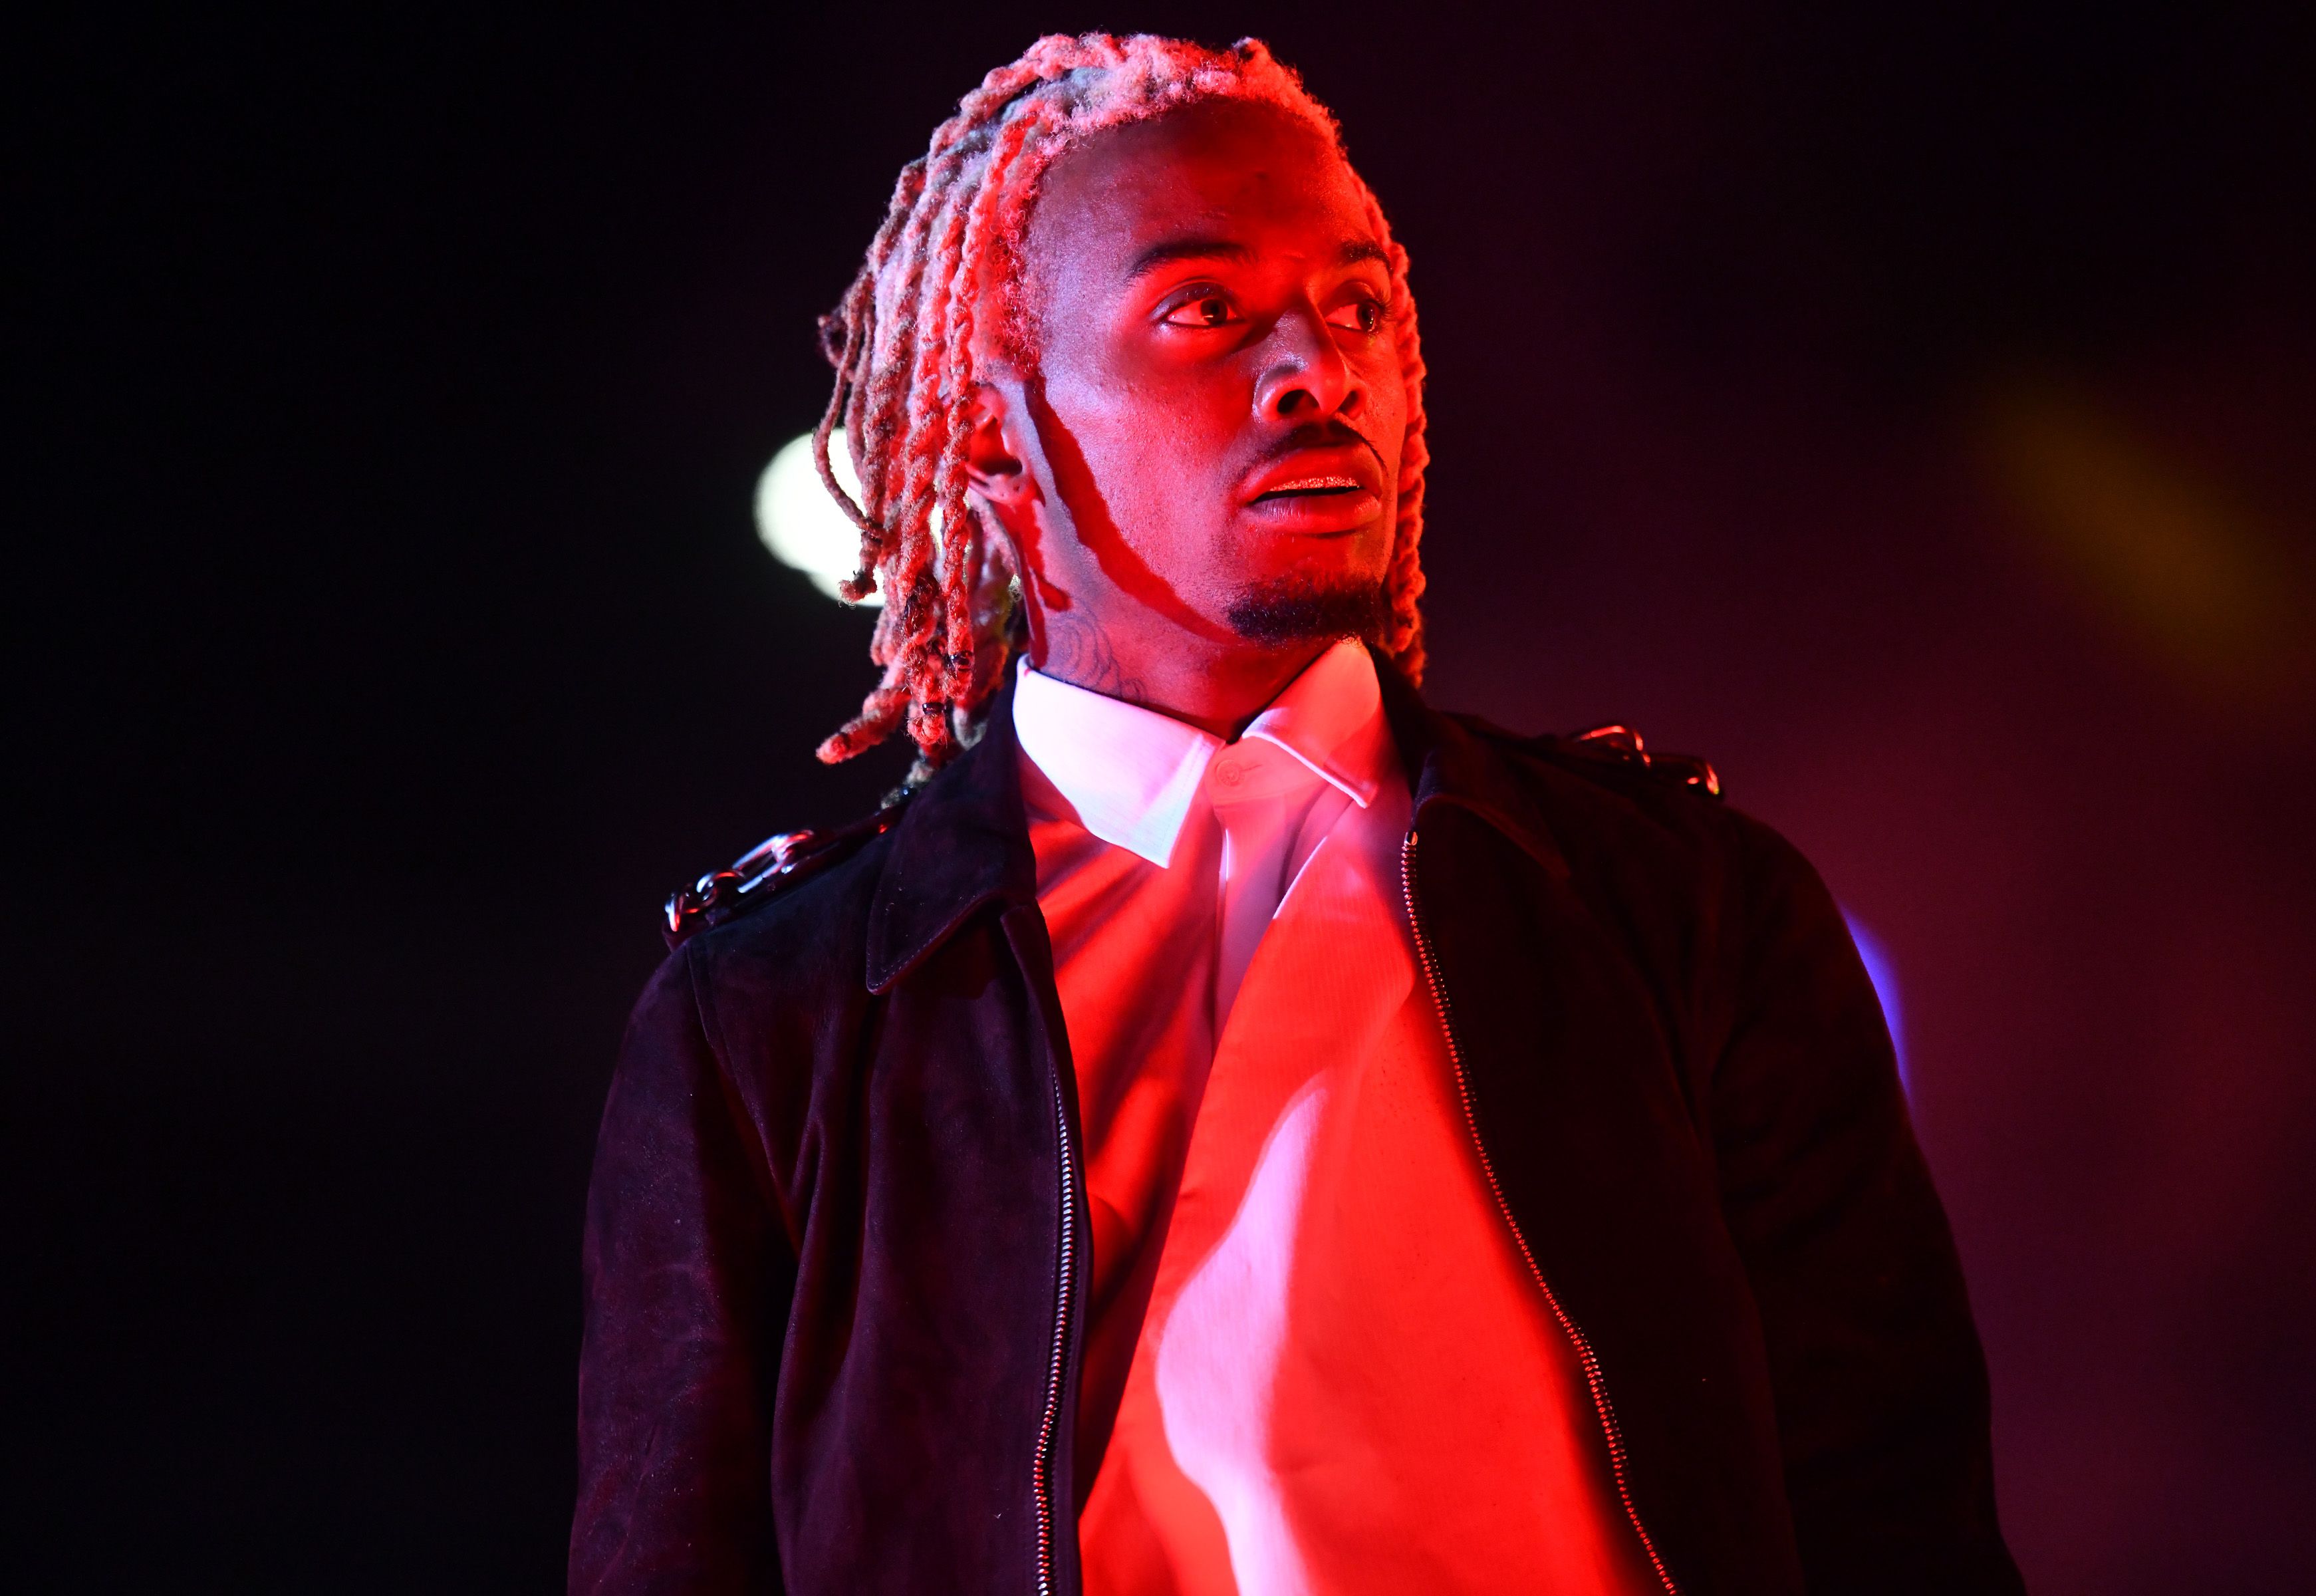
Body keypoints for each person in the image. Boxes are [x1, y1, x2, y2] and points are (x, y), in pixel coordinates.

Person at [571, 33, 2022, 1596]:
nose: (1318, 371)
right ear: (997, 439)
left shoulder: (1681, 906)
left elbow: (1899, 1525)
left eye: (1359, 308)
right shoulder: (779, 1016)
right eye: (1203, 308)